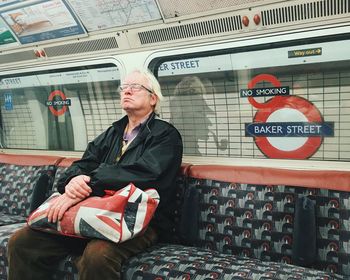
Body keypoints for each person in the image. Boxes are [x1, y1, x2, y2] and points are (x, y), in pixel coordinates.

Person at [7, 69, 183, 280]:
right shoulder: (112, 133)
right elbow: (82, 164)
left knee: (97, 255)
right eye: (123, 88)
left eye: (135, 87)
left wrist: (89, 183)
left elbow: (145, 174)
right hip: (94, 214)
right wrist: (73, 181)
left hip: (139, 220)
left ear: (153, 98)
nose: (126, 91)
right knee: (23, 242)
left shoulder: (165, 135)